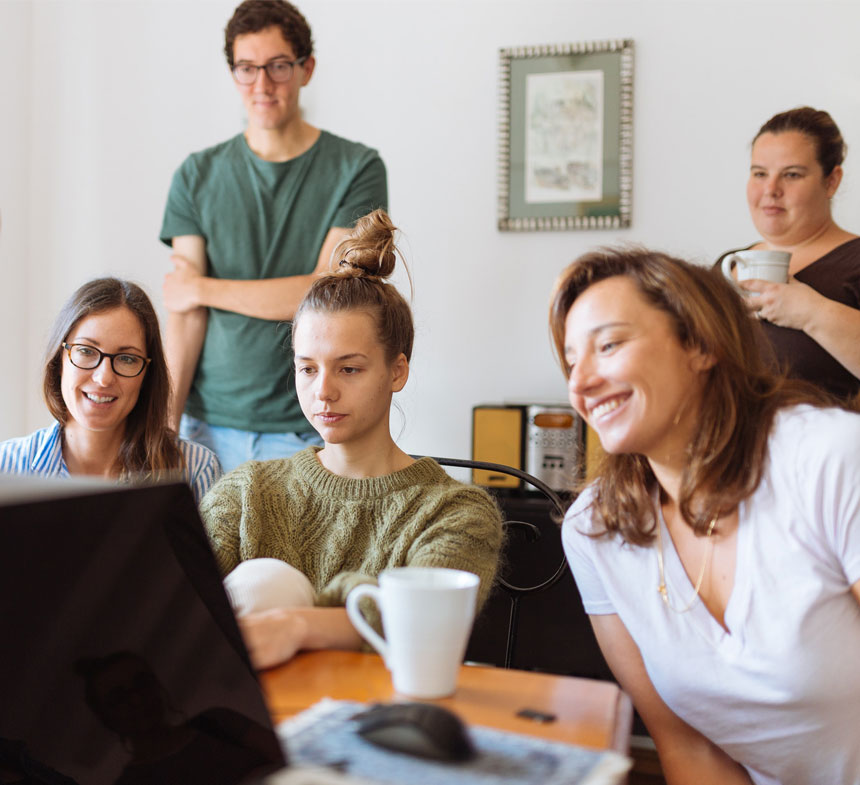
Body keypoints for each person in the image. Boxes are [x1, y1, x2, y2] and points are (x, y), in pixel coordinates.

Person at [551, 248, 860, 785]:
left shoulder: (829, 458)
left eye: (609, 345)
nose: (582, 383)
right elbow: (688, 750)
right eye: (572, 360)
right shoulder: (593, 530)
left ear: (699, 344)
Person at [201, 210, 503, 670]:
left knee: (272, 583)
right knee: (266, 581)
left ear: (397, 370)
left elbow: (427, 624)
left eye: (349, 368)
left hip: (384, 724)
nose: (323, 391)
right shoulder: (245, 494)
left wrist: (297, 625)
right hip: (249, 726)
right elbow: (173, 607)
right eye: (307, 368)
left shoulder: (456, 512)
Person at [160, 0, 387, 473]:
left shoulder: (357, 168)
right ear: (233, 73)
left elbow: (324, 294)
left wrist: (202, 287)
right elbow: (186, 316)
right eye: (247, 68)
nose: (262, 85)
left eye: (278, 66)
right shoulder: (196, 175)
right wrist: (163, 429)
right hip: (204, 429)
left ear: (307, 69)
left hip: (306, 425)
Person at [0, 278, 220, 503]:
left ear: (147, 375)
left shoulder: (195, 469)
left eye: (127, 359)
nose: (103, 378)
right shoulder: (6, 466)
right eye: (86, 351)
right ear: (59, 361)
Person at [716, 106, 860, 399]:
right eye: (759, 174)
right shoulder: (726, 266)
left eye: (791, 175)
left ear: (831, 181)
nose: (771, 189)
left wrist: (811, 312)